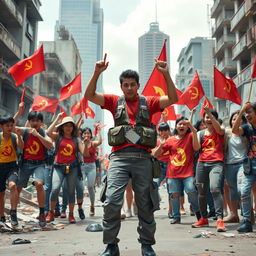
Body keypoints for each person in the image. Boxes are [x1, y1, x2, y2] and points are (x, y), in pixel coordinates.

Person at [84, 54, 178, 256]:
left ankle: (147, 245)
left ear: (138, 85)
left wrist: (166, 73)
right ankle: (111, 245)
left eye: (132, 85)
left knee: (145, 204)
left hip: (143, 158)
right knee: (111, 202)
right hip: (118, 158)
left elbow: (173, 98)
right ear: (121, 86)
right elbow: (90, 95)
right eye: (125, 85)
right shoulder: (112, 101)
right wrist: (97, 72)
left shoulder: (150, 102)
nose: (129, 88)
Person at [154, 116, 201, 224]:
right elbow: (156, 155)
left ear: (187, 126)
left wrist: (193, 131)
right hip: (172, 174)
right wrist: (161, 145)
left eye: (184, 124)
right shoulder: (170, 140)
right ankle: (176, 216)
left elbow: (196, 148)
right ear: (176, 126)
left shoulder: (190, 136)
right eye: (180, 124)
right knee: (174, 194)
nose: (182, 126)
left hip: (188, 173)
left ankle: (198, 212)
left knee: (191, 190)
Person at [192, 106, 226, 232]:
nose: (209, 119)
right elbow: (196, 148)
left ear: (216, 119)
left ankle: (219, 219)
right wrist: (194, 133)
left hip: (216, 163)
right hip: (201, 164)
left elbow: (219, 129)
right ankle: (203, 219)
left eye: (212, 117)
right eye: (206, 117)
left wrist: (209, 113)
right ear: (203, 120)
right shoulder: (201, 133)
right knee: (201, 192)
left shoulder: (220, 131)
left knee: (215, 189)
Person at [46, 115, 84, 224]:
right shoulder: (58, 137)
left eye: (70, 126)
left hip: (73, 168)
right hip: (58, 167)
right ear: (62, 127)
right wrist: (57, 120)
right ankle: (51, 212)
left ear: (73, 128)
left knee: (71, 191)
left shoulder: (76, 139)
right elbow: (48, 132)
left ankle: (71, 214)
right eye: (66, 125)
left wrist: (85, 143)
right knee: (55, 188)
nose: (68, 128)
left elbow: (84, 153)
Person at [17, 112, 53, 227]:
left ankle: (42, 212)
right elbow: (9, 126)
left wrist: (38, 135)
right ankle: (13, 212)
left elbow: (50, 145)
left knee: (39, 184)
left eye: (37, 121)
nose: (35, 123)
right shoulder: (25, 130)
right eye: (32, 120)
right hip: (25, 164)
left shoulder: (43, 133)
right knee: (16, 187)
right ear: (29, 122)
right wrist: (19, 111)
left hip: (39, 164)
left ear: (41, 123)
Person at [232, 102, 256, 232]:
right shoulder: (247, 128)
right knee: (244, 192)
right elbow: (235, 130)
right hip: (250, 166)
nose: (247, 115)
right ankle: (246, 221)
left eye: (249, 112)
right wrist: (241, 111)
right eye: (246, 113)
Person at [224, 110, 247, 223]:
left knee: (241, 189)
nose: (236, 121)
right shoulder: (227, 133)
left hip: (242, 164)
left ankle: (247, 214)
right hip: (229, 165)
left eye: (239, 119)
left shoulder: (246, 132)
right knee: (232, 190)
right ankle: (234, 215)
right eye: (234, 119)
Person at [0, 117, 24, 226]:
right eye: (7, 126)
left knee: (13, 185)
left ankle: (13, 213)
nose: (10, 128)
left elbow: (22, 146)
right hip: (0, 167)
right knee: (1, 193)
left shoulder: (14, 137)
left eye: (11, 125)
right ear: (2, 126)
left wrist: (19, 135)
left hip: (12, 166)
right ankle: (1, 216)